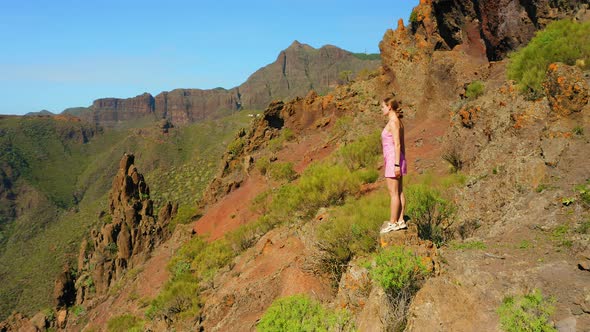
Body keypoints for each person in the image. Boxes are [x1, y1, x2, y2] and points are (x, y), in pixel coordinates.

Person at [380, 96, 408, 234]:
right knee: (399, 191)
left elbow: (397, 144)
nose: (382, 109)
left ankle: (393, 222)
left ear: (389, 106)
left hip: (393, 160)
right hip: (397, 159)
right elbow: (402, 145)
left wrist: (396, 165)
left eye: (383, 106)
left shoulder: (393, 122)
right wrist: (402, 161)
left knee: (393, 193)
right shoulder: (399, 122)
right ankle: (401, 220)